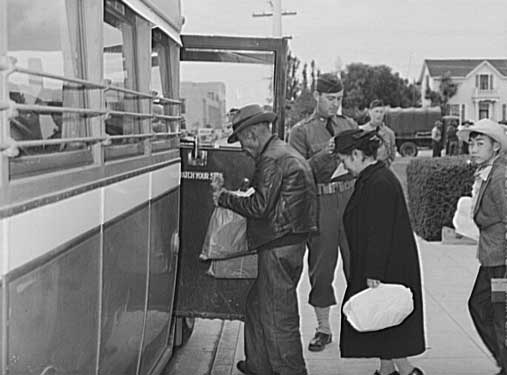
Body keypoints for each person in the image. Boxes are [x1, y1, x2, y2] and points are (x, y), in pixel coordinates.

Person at [213, 104, 318, 375]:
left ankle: (291, 371)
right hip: (288, 242)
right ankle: (259, 365)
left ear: (252, 135)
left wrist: (225, 197)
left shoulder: (271, 159)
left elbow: (260, 207)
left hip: (279, 246)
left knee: (278, 317)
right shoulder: (281, 152)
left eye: (242, 143)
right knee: (258, 306)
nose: (243, 150)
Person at [334, 128, 425, 375]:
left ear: (356, 154)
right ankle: (387, 370)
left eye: (344, 160)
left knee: (388, 317)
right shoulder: (375, 178)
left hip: (385, 266)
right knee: (386, 319)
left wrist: (373, 270)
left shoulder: (378, 182)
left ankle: (406, 371)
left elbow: (379, 231)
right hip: (386, 264)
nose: (344, 166)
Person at [288, 72, 357, 351]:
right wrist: (326, 154)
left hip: (351, 200)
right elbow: (296, 173)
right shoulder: (301, 131)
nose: (335, 104)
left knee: (358, 262)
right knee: (321, 267)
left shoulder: (348, 124)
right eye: (330, 98)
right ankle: (323, 328)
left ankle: (359, 325)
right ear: (317, 96)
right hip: (322, 204)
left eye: (339, 99)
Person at [457, 119, 507, 375]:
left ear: (496, 147)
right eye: (471, 144)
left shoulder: (499, 177)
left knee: (496, 313)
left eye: (480, 144)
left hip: (501, 262)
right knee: (483, 307)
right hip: (492, 259)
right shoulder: (489, 172)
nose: (473, 149)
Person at [360, 99, 396, 167]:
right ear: (369, 112)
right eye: (376, 111)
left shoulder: (389, 133)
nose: (379, 115)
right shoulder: (361, 131)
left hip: (383, 169)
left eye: (381, 112)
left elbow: (392, 155)